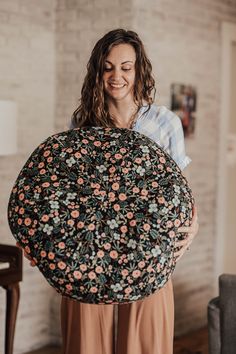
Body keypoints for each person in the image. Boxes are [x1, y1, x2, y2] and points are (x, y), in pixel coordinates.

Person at [19, 28, 199, 354]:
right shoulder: (82, 125)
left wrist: (194, 223)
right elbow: (62, 195)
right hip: (89, 253)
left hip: (148, 252)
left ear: (139, 70)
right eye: (108, 67)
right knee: (85, 343)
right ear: (98, 72)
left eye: (126, 67)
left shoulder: (164, 123)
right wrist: (38, 239)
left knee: (145, 344)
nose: (117, 76)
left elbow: (178, 191)